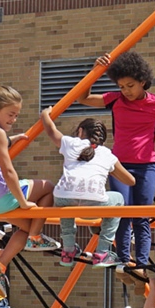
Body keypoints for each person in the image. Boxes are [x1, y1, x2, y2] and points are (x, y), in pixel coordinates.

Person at [77, 51, 155, 274]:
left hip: (147, 165)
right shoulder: (115, 99)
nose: (126, 91)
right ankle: (124, 262)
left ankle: (142, 265)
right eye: (122, 86)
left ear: (143, 81)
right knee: (122, 212)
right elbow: (82, 97)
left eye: (130, 85)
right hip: (119, 166)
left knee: (142, 216)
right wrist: (96, 72)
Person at [0, 84, 60, 293]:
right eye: (11, 114)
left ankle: (0, 265)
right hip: (2, 197)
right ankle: (36, 238)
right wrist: (23, 201)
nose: (13, 120)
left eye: (16, 115)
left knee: (26, 228)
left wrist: (11, 140)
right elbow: (8, 171)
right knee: (49, 187)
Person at [40, 108, 135, 268]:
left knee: (66, 200)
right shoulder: (107, 154)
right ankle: (102, 251)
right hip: (93, 204)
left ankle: (68, 249)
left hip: (62, 197)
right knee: (118, 199)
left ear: (81, 131)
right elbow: (130, 181)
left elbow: (51, 130)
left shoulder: (71, 143)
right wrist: (107, 169)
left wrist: (44, 114)